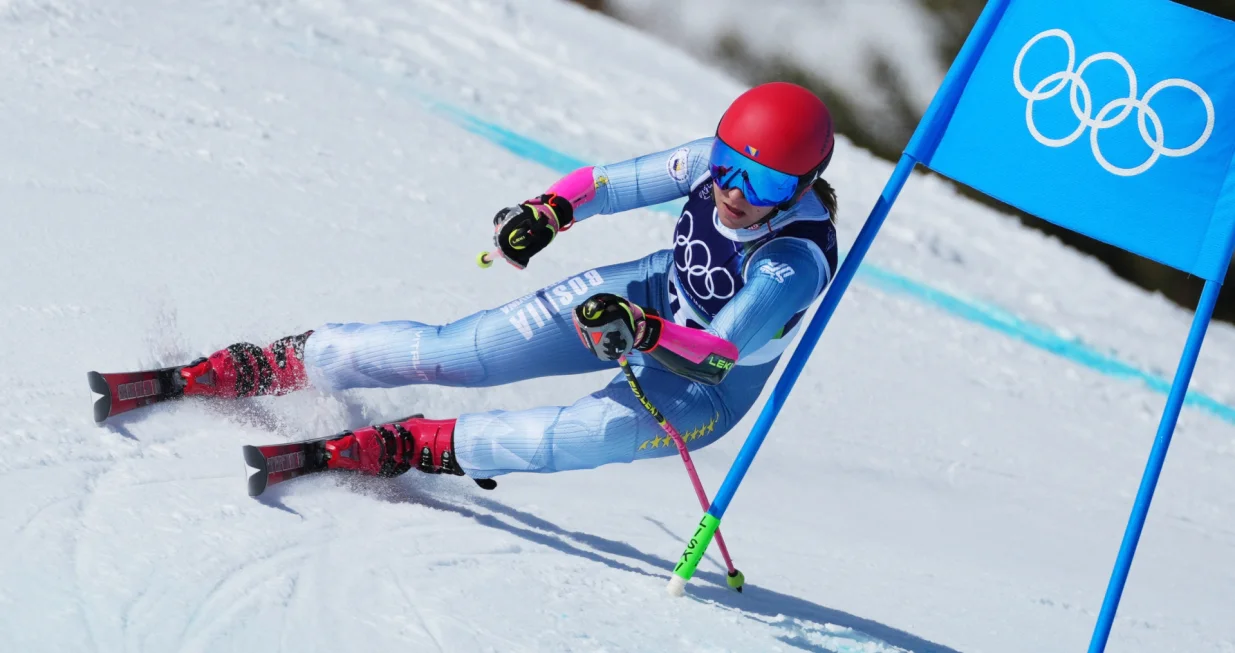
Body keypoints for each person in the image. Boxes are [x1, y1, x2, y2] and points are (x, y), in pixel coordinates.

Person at [179, 81, 839, 486]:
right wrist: (548, 211)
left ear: (801, 187)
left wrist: (639, 331)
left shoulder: (791, 263)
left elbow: (720, 357)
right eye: (726, 164)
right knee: (459, 352)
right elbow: (607, 183)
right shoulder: (708, 165)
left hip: (698, 386)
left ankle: (417, 444)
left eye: (766, 185)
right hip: (647, 295)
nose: (732, 190)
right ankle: (294, 358)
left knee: (584, 434)